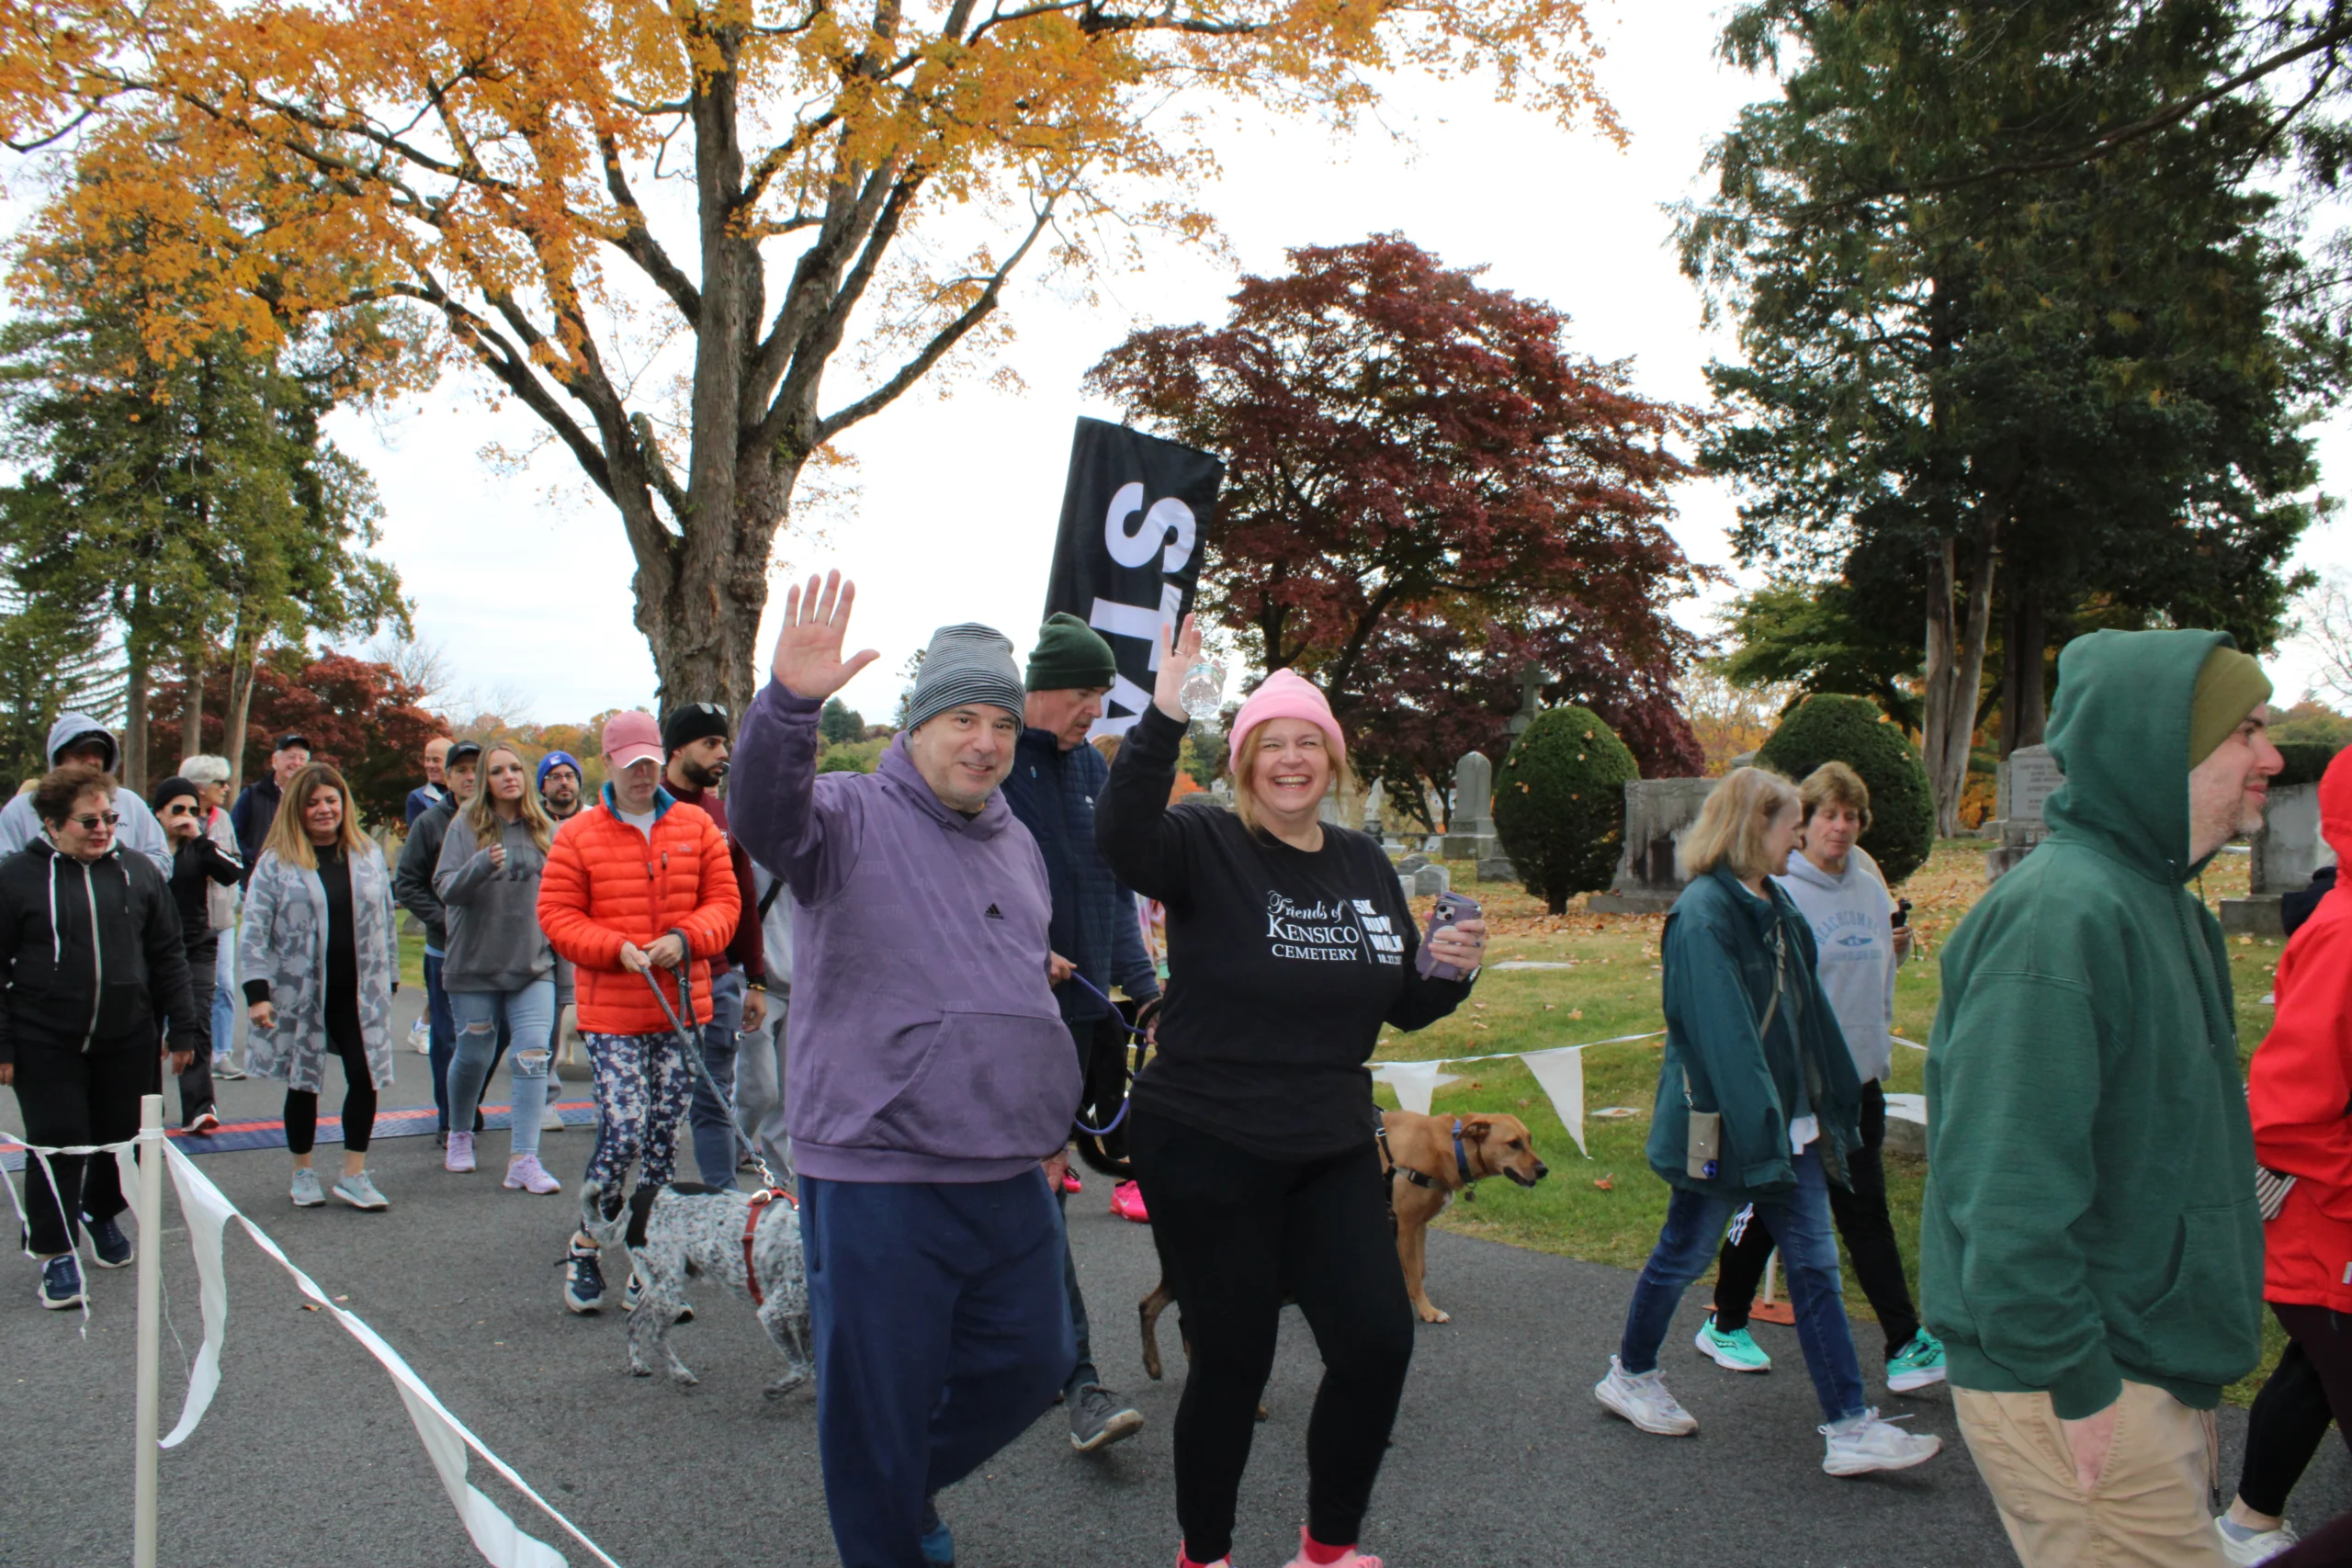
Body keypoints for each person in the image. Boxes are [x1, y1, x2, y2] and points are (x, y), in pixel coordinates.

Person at [1094, 617, 1482, 1568]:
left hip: (1330, 1142)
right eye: (1271, 743)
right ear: (1242, 761)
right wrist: (1163, 713)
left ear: (1335, 762)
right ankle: (1206, 1554)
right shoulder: (1201, 839)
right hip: (1208, 1138)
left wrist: (1450, 972)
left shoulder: (1360, 865)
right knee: (1232, 1361)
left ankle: (1326, 1547)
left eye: (1309, 741)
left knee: (1376, 1343)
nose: (1291, 758)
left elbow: (1401, 1002)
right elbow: (1120, 839)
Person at [731, 574, 1080, 1568]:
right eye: (962, 717)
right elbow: (760, 817)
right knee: (876, 1398)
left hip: (1004, 1163)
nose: (985, 741)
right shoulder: (843, 813)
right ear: (916, 725)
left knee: (1034, 1359)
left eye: (1002, 724)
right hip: (878, 1166)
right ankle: (884, 1519)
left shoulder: (1019, 844)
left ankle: (890, 1486)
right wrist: (788, 708)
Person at [1924, 629, 2276, 1567]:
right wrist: (2077, 1387)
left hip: (2143, 1365)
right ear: (2164, 742)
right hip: (2079, 1379)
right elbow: (2004, 1194)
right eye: (2246, 730)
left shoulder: (2162, 908)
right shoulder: (2060, 918)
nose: (2271, 758)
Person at [1597, 765, 1939, 1478]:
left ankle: (1848, 1426)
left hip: (1790, 1129)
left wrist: (1832, 1105)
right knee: (1683, 1253)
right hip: (1730, 1130)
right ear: (1756, 827)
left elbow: (1806, 1020)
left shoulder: (1775, 903)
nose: (1803, 834)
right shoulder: (1703, 915)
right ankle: (1630, 1373)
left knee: (1815, 1266)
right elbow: (1727, 1042)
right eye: (1792, 822)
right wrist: (1770, 1136)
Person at [1700, 761, 1945, 1392]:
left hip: (1858, 1078)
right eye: (1828, 815)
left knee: (1863, 1209)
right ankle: (1728, 1319)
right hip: (1799, 1085)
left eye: (1851, 815)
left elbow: (1876, 966)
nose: (1841, 827)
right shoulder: (1781, 888)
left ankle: (1902, 1342)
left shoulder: (1867, 880)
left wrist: (1898, 950)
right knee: (1778, 1203)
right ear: (1802, 824)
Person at [1001, 610, 1162, 1454]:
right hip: (1009, 1028)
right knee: (1032, 1201)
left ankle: (1038, 1365)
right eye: (1087, 692)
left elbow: (1113, 893)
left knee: (1033, 1202)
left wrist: (1146, 990)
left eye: (1104, 693)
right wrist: (1024, 950)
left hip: (1090, 1025)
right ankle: (1080, 1384)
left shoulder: (1091, 774)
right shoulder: (995, 771)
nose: (1096, 708)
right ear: (1046, 686)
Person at [539, 710, 738, 1315]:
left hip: (679, 1006)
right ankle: (584, 1241)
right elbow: (557, 914)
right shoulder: (578, 834)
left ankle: (647, 1258)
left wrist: (686, 936)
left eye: (651, 762)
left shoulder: (697, 825)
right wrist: (611, 947)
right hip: (612, 1010)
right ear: (609, 764)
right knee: (623, 1128)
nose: (644, 775)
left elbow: (725, 902)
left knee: (660, 1142)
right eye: (632, 765)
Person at [0, 765, 200, 1309]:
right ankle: (55, 1249)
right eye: (88, 820)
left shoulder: (139, 873)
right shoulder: (16, 877)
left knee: (119, 1142)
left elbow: (167, 955)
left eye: (110, 817)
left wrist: (182, 1027)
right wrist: (4, 1045)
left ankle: (100, 1212)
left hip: (127, 1035)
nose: (102, 828)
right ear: (51, 824)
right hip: (46, 1037)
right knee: (59, 1142)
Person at [2231, 742, 2352, 1564]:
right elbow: (2287, 1113)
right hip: (2328, 1238)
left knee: (2308, 1376)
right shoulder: (2344, 935)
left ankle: (2248, 1523)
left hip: (2329, 1245)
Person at [241, 762, 399, 1212]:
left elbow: (385, 917)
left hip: (359, 989)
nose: (324, 809)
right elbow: (253, 929)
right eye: (313, 802)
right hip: (302, 990)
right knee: (302, 1080)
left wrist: (388, 978)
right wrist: (257, 994)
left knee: (364, 1076)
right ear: (298, 809)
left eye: (331, 799)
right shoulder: (277, 862)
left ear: (344, 803)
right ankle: (303, 1170)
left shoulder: (366, 853)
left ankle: (353, 1173)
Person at [435, 742, 564, 1193]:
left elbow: (565, 899)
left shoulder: (546, 828)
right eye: (497, 771)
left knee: (532, 1056)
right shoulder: (465, 826)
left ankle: (524, 1160)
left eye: (515, 768)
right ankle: (460, 1132)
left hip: (533, 965)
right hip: (474, 964)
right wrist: (479, 865)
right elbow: (446, 889)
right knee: (474, 1055)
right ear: (484, 782)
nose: (509, 777)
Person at [660, 704, 769, 1188]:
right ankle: (646, 1212)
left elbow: (744, 899)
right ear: (677, 749)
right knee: (653, 1105)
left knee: (715, 1100)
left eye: (724, 743)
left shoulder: (725, 816)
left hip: (719, 979)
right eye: (711, 744)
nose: (722, 754)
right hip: (654, 982)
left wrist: (757, 978)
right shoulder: (646, 809)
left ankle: (721, 1203)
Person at [395, 738, 481, 1142]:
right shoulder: (430, 823)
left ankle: (468, 1100)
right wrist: (445, 918)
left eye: (476, 769)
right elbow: (407, 883)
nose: (469, 776)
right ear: (446, 778)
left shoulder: (505, 820)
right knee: (448, 1035)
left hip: (496, 949)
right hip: (445, 949)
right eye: (461, 769)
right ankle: (451, 1120)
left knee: (494, 1033)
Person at [151, 776, 243, 1134]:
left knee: (196, 1021)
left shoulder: (201, 846)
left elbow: (232, 871)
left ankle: (199, 1107)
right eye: (177, 809)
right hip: (152, 950)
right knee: (147, 1026)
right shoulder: (145, 849)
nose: (186, 816)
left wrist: (201, 838)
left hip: (196, 946)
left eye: (193, 810)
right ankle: (147, 1109)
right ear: (158, 813)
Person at [0, 713, 174, 876]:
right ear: (59, 757)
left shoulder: (131, 804)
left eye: (98, 753)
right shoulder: (22, 809)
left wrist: (117, 877)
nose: (91, 760)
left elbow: (163, 860)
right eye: (81, 753)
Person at [179, 755, 247, 1081]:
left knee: (225, 985)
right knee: (178, 987)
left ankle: (222, 1054)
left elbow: (234, 860)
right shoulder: (173, 817)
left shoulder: (223, 819)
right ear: (200, 787)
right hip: (181, 920)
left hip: (220, 918)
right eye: (220, 783)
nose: (226, 788)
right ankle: (177, 1042)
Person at [731, 861, 795, 1179]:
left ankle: (779, 1179)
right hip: (754, 984)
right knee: (760, 1089)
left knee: (789, 1093)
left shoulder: (820, 856)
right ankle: (730, 1149)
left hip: (803, 988)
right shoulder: (748, 854)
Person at [231, 733, 311, 874]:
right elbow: (233, 835)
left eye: (302, 759)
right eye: (291, 757)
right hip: (255, 877)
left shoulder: (310, 799)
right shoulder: (253, 794)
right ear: (275, 760)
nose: (296, 763)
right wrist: (251, 856)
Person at [407, 736, 453, 827]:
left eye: (436, 760)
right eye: (427, 760)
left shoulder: (464, 794)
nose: (430, 765)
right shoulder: (418, 798)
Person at [538, 750, 584, 822]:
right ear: (542, 787)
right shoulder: (531, 824)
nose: (564, 782)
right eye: (555, 777)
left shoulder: (596, 819)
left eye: (569, 776)